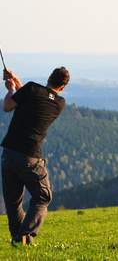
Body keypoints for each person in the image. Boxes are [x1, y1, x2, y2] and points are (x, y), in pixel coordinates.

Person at [1, 67, 70, 246]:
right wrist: (15, 81)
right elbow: (36, 97)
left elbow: (8, 105)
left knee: (14, 201)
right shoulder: (59, 103)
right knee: (43, 196)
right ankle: (23, 237)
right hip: (30, 156)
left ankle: (19, 240)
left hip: (9, 153)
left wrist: (10, 90)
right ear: (62, 87)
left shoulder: (31, 89)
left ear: (48, 77)